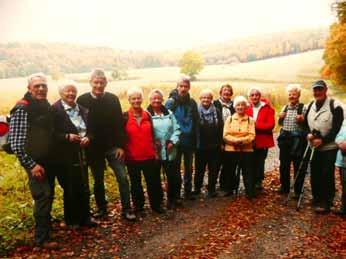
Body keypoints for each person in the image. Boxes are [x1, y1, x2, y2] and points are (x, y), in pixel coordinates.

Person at [77, 69, 135, 220]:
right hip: (93, 148)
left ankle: (127, 209)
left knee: (122, 177)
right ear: (90, 82)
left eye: (101, 82)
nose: (98, 85)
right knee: (98, 180)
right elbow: (79, 123)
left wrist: (121, 146)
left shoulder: (112, 99)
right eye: (96, 82)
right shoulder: (82, 100)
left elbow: (119, 124)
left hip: (113, 147)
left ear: (106, 83)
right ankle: (102, 208)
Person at [8, 73, 57, 247]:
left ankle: (47, 230)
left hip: (47, 160)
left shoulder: (44, 104)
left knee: (49, 194)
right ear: (29, 88)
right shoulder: (22, 108)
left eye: (44, 85)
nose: (41, 89)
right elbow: (16, 144)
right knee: (43, 196)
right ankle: (41, 239)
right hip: (35, 162)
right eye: (37, 86)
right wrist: (32, 165)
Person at [51, 81, 95, 228]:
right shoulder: (54, 110)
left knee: (84, 185)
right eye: (67, 91)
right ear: (61, 93)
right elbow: (51, 133)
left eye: (73, 91)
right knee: (70, 187)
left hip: (83, 154)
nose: (71, 94)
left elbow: (92, 130)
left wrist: (89, 137)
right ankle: (72, 220)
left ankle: (86, 217)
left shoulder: (83, 109)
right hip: (65, 156)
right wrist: (66, 137)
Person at [304, 80, 344, 213]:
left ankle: (327, 202)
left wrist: (323, 140)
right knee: (315, 172)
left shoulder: (335, 105)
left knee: (326, 173)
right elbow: (304, 125)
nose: (317, 92)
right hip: (314, 147)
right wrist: (308, 134)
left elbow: (336, 128)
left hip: (329, 147)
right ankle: (317, 198)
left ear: (326, 90)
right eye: (315, 90)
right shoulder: (310, 105)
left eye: (320, 89)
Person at [124, 87, 165, 214]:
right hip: (132, 157)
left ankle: (156, 205)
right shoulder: (124, 116)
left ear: (142, 99)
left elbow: (153, 135)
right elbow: (121, 136)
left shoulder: (147, 115)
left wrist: (156, 152)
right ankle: (139, 206)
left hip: (149, 155)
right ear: (129, 100)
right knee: (136, 184)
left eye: (138, 98)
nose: (136, 100)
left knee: (153, 182)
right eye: (133, 98)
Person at [147, 89, 181, 209]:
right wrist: (153, 143)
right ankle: (157, 202)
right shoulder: (147, 114)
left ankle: (172, 199)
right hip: (154, 152)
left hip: (169, 150)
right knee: (154, 178)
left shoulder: (169, 113)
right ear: (150, 100)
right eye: (153, 98)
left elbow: (177, 129)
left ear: (162, 100)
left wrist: (173, 141)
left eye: (159, 98)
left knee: (172, 177)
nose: (156, 100)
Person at [165, 77, 199, 200]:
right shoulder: (170, 102)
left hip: (189, 141)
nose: (183, 88)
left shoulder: (192, 103)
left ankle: (188, 192)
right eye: (181, 86)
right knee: (175, 168)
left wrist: (196, 141)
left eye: (186, 86)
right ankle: (176, 194)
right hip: (175, 141)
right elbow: (165, 122)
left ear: (189, 87)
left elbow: (196, 122)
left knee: (189, 168)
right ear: (177, 86)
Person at [223, 96, 256, 198]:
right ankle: (229, 190)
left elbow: (252, 135)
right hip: (231, 149)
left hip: (247, 150)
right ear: (234, 107)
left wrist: (242, 141)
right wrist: (235, 141)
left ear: (246, 107)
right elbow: (225, 135)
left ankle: (249, 192)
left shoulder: (250, 120)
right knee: (230, 170)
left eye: (242, 105)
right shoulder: (230, 119)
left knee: (247, 171)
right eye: (238, 105)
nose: (240, 107)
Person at [277, 84, 307, 197]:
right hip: (285, 139)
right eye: (290, 94)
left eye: (294, 94)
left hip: (298, 140)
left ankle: (298, 190)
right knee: (284, 165)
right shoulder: (285, 107)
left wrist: (303, 120)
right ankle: (284, 187)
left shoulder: (303, 108)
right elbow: (280, 124)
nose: (291, 96)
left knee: (297, 165)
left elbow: (307, 126)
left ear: (298, 95)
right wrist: (280, 118)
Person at [193, 89, 223, 198]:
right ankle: (197, 188)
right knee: (199, 169)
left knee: (213, 169)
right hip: (200, 146)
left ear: (211, 99)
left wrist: (221, 143)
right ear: (200, 99)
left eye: (208, 98)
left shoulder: (217, 111)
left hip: (214, 146)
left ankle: (211, 189)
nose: (206, 100)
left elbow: (221, 128)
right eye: (203, 98)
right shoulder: (195, 111)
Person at [246, 87, 275, 190]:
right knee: (250, 161)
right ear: (249, 97)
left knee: (260, 162)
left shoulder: (268, 108)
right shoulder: (246, 108)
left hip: (262, 141)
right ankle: (250, 182)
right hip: (249, 141)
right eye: (252, 95)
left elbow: (270, 125)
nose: (255, 97)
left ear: (260, 96)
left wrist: (254, 124)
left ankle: (258, 182)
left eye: (257, 95)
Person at [213, 84, 235, 192]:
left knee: (228, 162)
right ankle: (212, 185)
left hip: (231, 138)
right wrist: (219, 141)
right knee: (216, 162)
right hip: (217, 137)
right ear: (220, 92)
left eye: (229, 91)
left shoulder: (234, 105)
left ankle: (224, 184)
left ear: (231, 93)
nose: (226, 92)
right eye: (224, 90)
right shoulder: (215, 104)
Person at [335, 119, 346, 217]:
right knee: (344, 184)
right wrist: (340, 143)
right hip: (343, 161)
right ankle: (344, 208)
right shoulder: (345, 122)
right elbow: (338, 136)